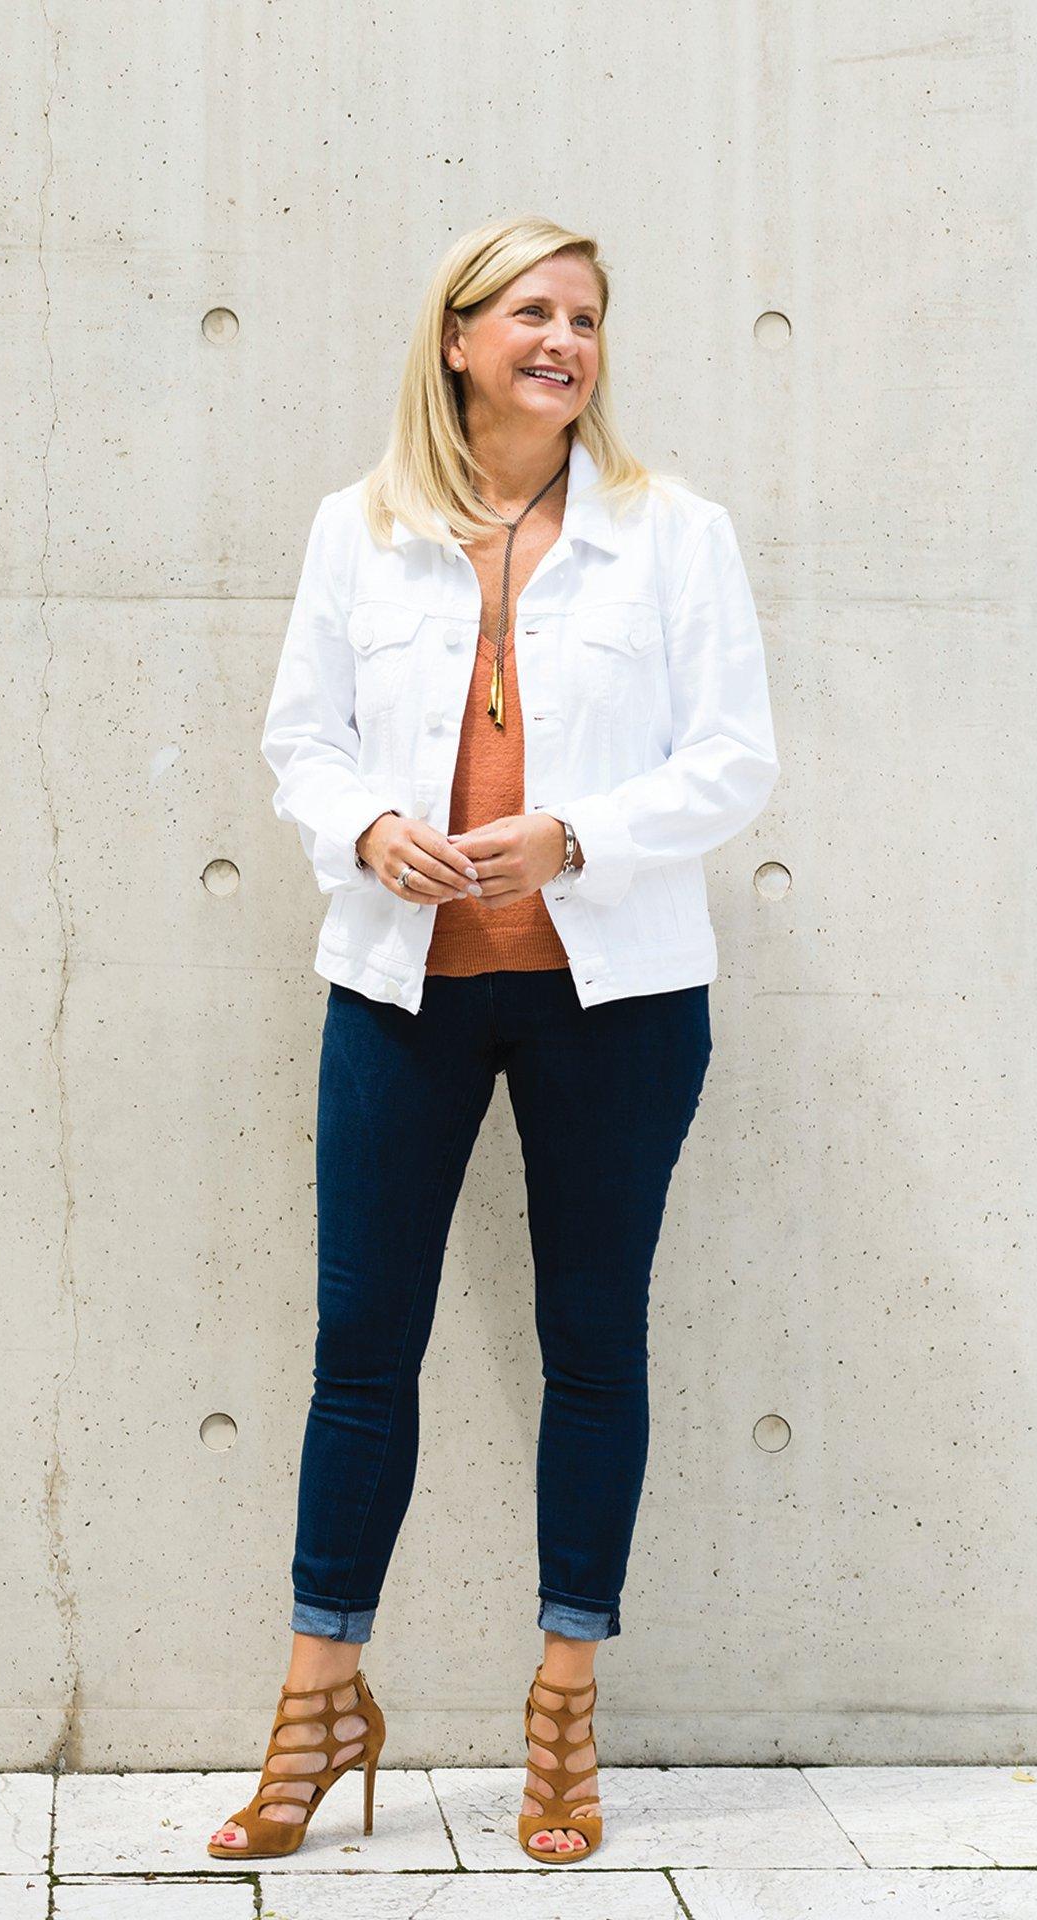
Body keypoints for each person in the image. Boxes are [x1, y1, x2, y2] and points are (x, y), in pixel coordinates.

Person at [214, 214, 779, 1865]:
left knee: (594, 1347)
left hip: (616, 999)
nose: (565, 341)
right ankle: (319, 1708)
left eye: (588, 318)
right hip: (404, 987)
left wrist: (575, 838)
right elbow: (298, 737)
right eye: (532, 312)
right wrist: (375, 828)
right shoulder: (361, 529)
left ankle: (563, 1712)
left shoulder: (673, 533)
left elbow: (736, 759)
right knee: (358, 1350)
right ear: (456, 339)